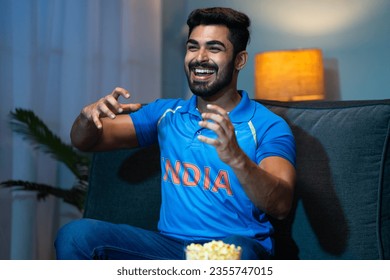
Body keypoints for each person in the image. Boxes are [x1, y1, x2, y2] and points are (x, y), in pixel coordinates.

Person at [55, 7, 296, 260]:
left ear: (239, 60)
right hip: (169, 247)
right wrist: (87, 117)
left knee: (237, 252)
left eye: (214, 48)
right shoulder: (166, 114)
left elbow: (279, 205)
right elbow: (85, 141)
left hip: (235, 246)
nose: (199, 58)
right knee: (76, 235)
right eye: (193, 47)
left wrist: (237, 159)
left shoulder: (267, 125)